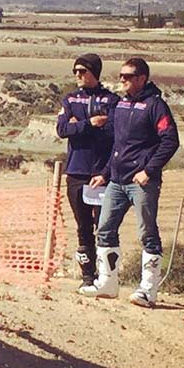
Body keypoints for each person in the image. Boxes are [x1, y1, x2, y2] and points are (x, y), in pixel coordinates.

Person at [80, 57, 179, 307]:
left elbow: (170, 140)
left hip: (142, 182)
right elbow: (115, 143)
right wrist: (104, 172)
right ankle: (108, 283)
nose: (121, 80)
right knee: (104, 228)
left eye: (127, 76)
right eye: (120, 75)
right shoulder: (121, 105)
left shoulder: (155, 106)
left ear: (142, 79)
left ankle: (147, 290)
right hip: (116, 180)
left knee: (147, 233)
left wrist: (149, 169)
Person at [56, 53, 119, 289]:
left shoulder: (111, 101)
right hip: (76, 172)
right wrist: (89, 124)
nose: (78, 75)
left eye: (83, 71)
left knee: (105, 226)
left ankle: (108, 277)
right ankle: (87, 277)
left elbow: (114, 136)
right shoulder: (70, 99)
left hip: (102, 175)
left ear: (95, 72)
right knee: (82, 227)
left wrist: (105, 172)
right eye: (75, 71)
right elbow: (62, 129)